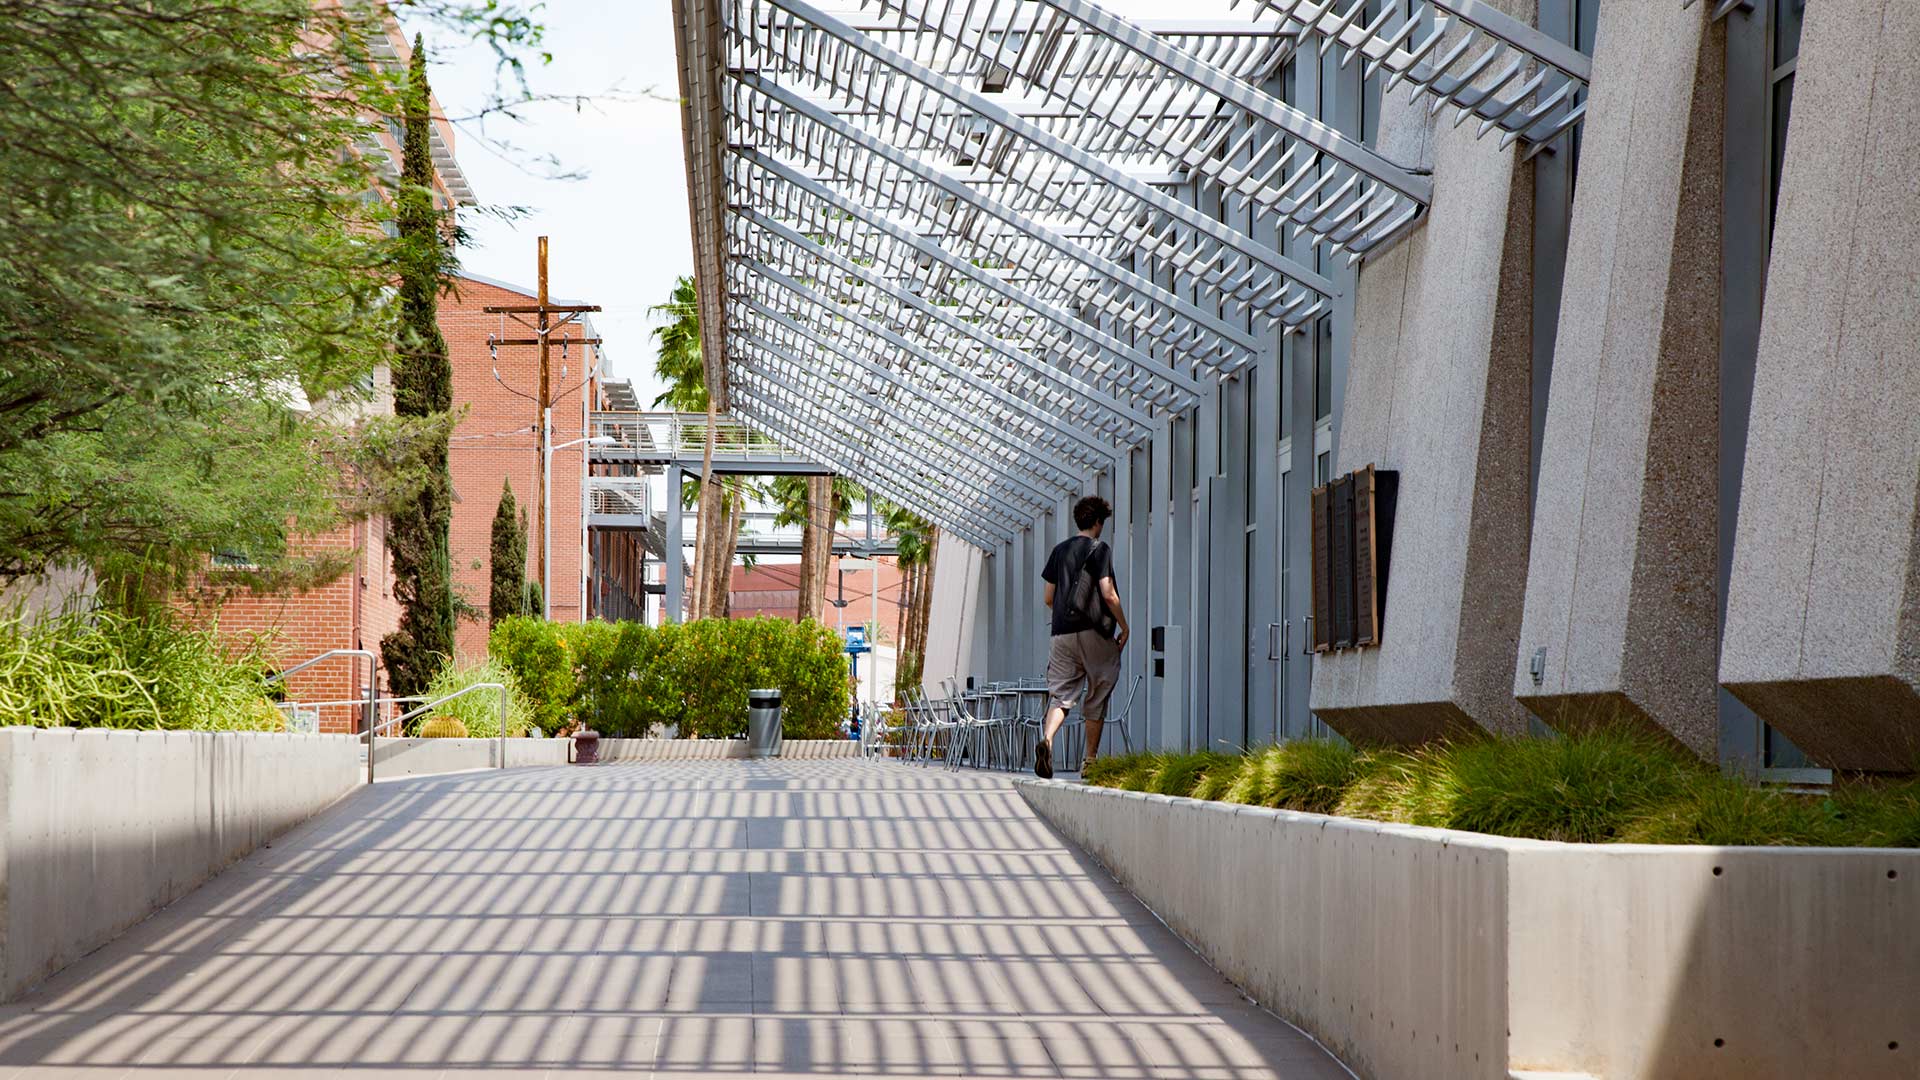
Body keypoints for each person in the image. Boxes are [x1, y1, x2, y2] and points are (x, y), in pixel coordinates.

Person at [1036, 495, 1129, 778]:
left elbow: (1049, 597)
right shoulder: (1100, 549)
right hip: (1093, 631)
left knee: (1061, 695)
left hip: (1061, 633)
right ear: (1098, 522)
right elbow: (1108, 593)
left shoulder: (1059, 550)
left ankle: (1048, 739)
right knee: (1100, 686)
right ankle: (1089, 760)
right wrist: (1125, 626)